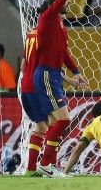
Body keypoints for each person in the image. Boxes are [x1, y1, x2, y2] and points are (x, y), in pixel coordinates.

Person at [33, 0, 88, 178]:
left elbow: (63, 52)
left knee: (58, 121)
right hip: (45, 74)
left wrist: (76, 73)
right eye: (63, 1)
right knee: (63, 119)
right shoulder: (47, 17)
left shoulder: (60, 25)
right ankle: (45, 163)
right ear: (57, 2)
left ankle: (50, 166)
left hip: (53, 74)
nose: (67, 3)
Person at [19, 28, 80, 177]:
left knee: (41, 127)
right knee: (58, 121)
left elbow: (22, 66)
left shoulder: (30, 34)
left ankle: (31, 169)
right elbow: (45, 64)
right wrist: (69, 79)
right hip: (38, 85)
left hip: (25, 85)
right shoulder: (46, 34)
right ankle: (47, 165)